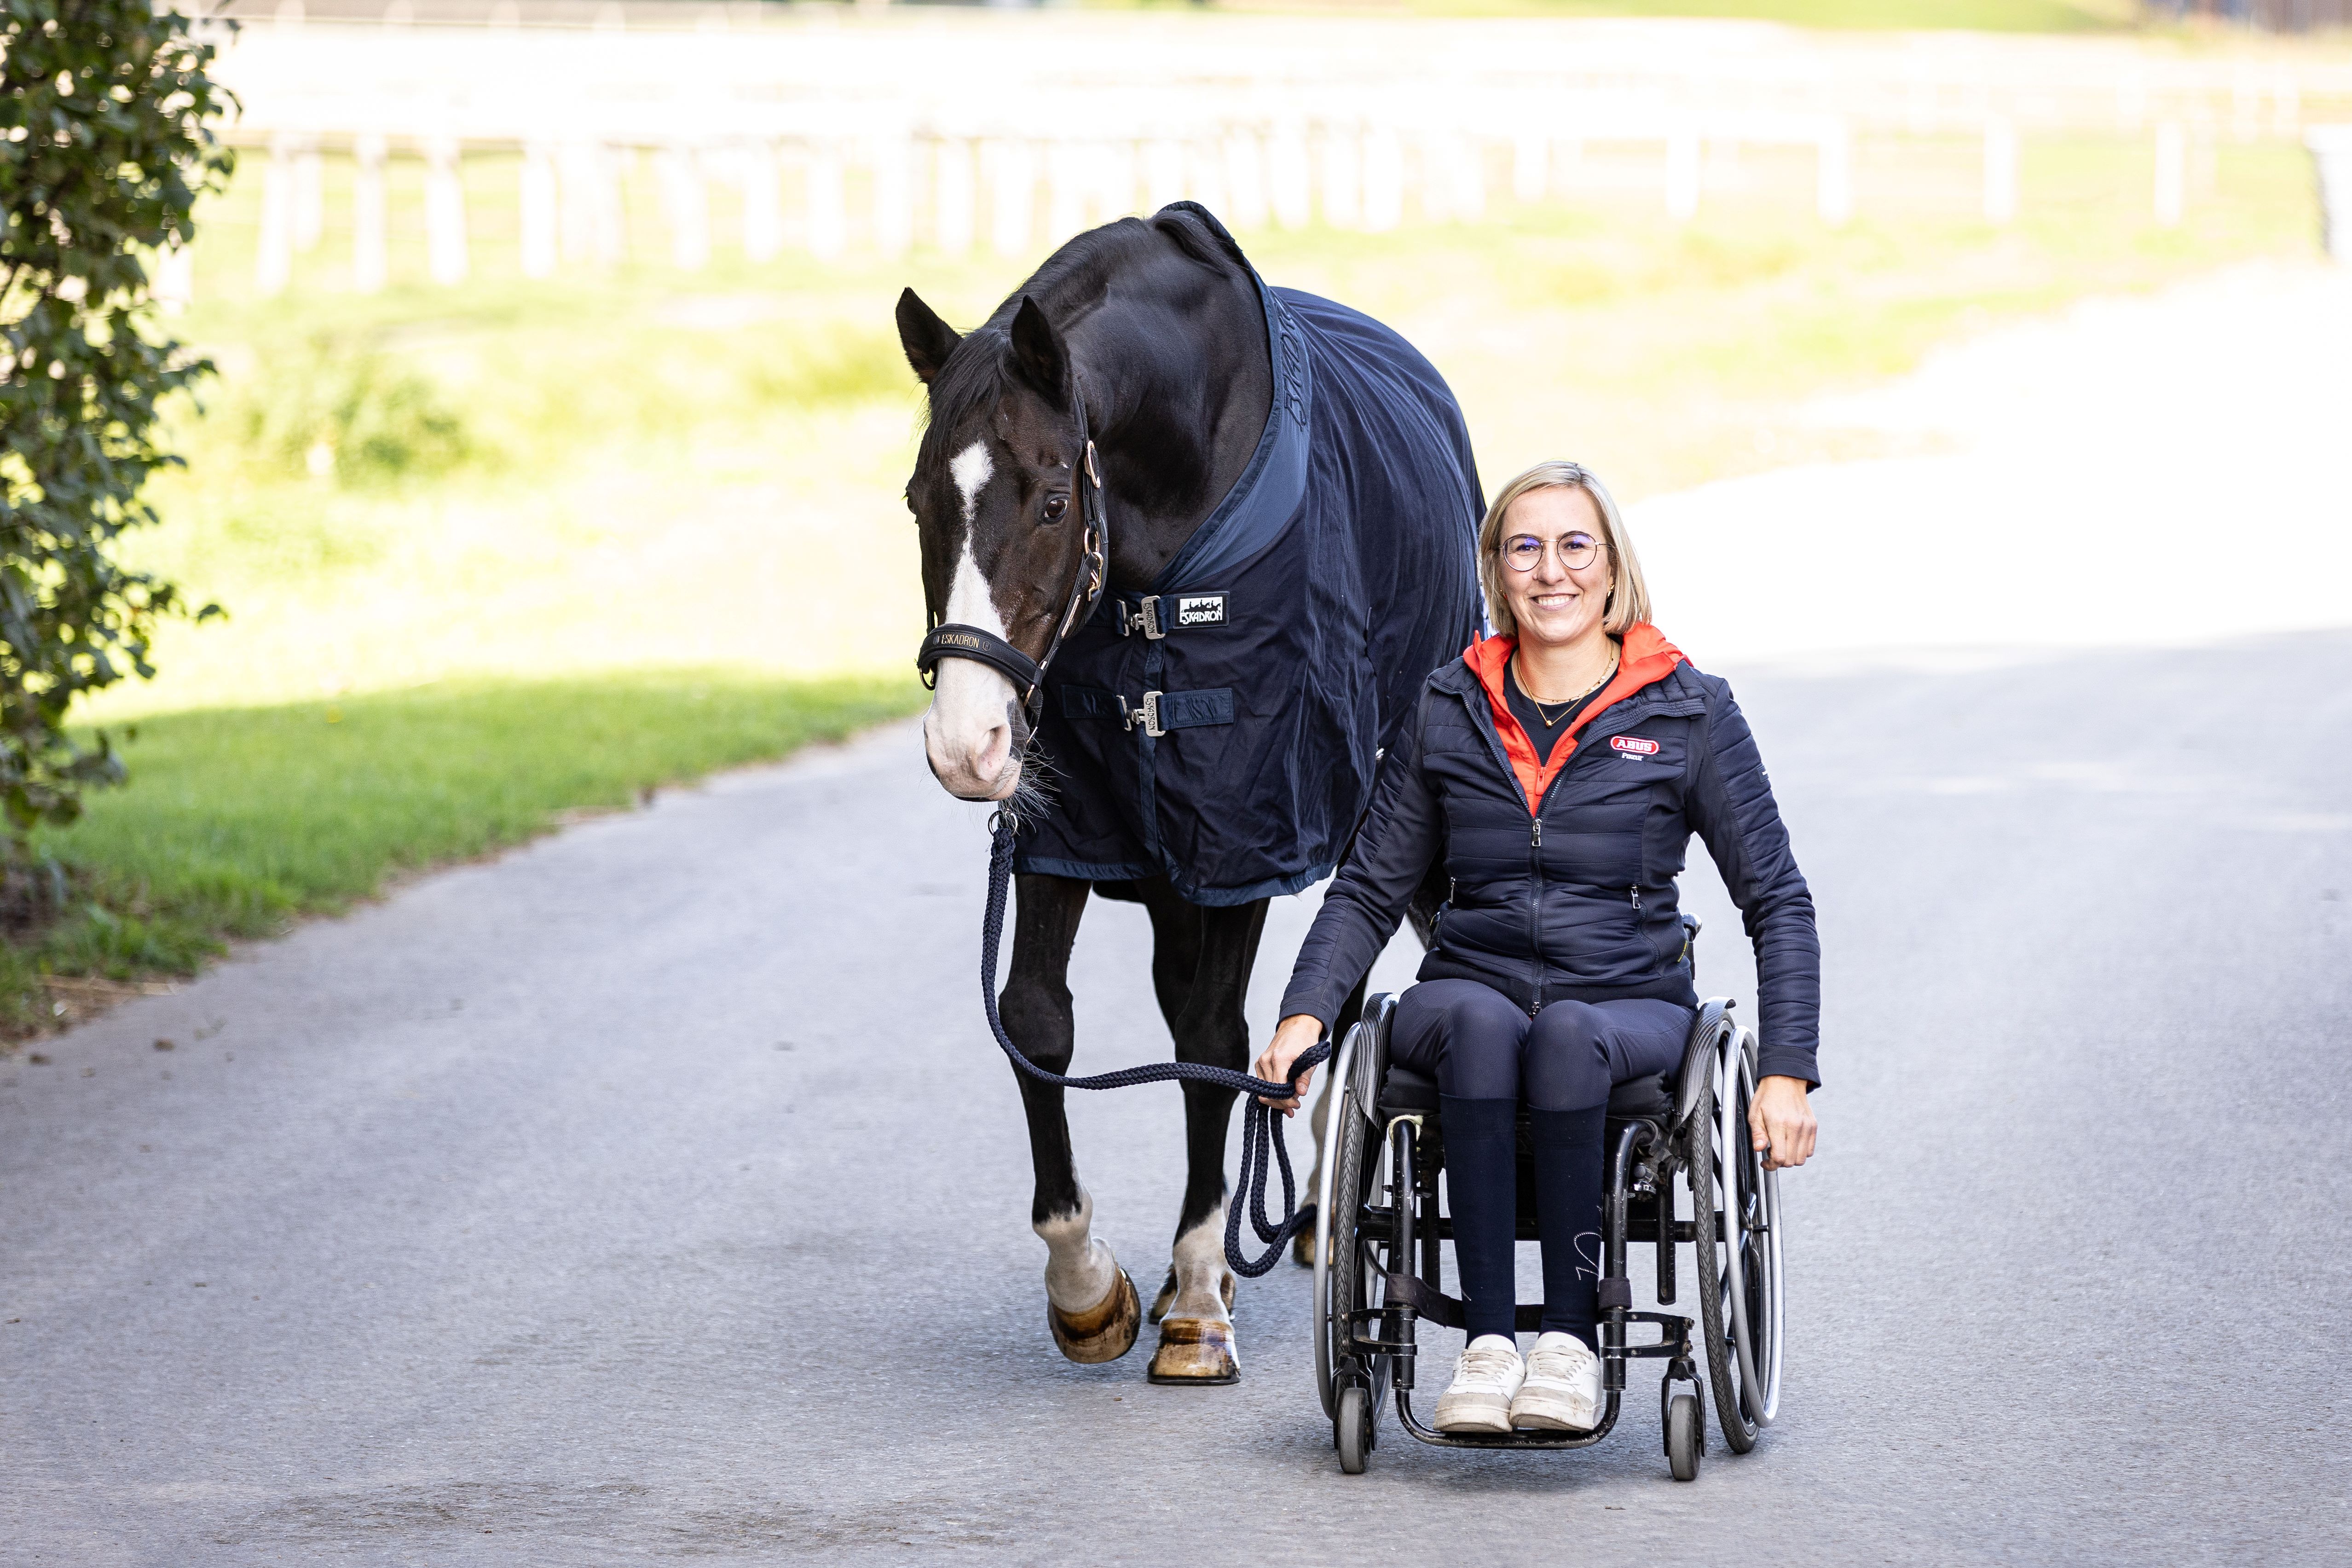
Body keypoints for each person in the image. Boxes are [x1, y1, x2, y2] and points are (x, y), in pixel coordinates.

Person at [1255, 459, 1820, 1434]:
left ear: (1611, 572)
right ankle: (1485, 1347)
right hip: (1468, 989)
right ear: (1495, 572)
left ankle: (1565, 1346)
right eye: (1525, 547)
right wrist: (1302, 1018)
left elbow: (1777, 897)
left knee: (1567, 1034)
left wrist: (1789, 1073)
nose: (1550, 571)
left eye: (1574, 546)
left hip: (1628, 1004)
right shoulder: (1446, 707)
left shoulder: (1688, 711)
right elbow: (1369, 888)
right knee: (1475, 1021)